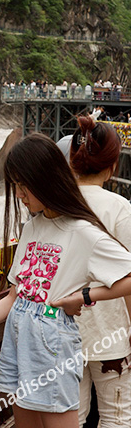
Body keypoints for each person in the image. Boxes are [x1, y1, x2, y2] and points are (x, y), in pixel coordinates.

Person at [0, 132, 131, 428]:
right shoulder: (32, 228)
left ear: (45, 180)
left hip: (53, 346)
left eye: (24, 186)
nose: (19, 195)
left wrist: (85, 296)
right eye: (16, 186)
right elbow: (15, 298)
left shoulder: (82, 231)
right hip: (19, 341)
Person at [69, 116, 131, 427]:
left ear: (73, 161)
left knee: (72, 417)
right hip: (112, 335)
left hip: (63, 334)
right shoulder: (120, 208)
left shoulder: (58, 205)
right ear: (112, 166)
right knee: (117, 417)